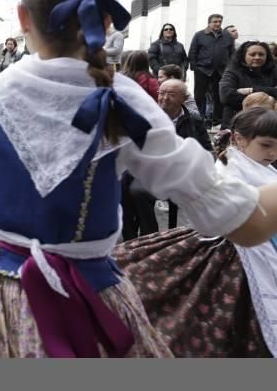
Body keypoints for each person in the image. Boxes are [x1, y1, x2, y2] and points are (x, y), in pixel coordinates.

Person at [0, 0, 277, 359]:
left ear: (23, 18)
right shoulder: (126, 102)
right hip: (86, 299)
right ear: (108, 20)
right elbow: (246, 223)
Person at [114, 107, 277, 357]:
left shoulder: (265, 168)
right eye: (266, 145)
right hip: (233, 252)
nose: (273, 153)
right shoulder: (228, 170)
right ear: (239, 139)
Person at [121, 79, 212, 239]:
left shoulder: (193, 120)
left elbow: (206, 149)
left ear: (184, 98)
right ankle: (130, 237)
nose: (164, 98)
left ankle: (150, 237)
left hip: (179, 173)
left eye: (171, 94)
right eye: (161, 93)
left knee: (138, 191)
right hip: (149, 169)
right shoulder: (147, 116)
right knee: (122, 184)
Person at [189, 14, 235, 127]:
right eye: (215, 21)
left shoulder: (227, 36)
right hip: (202, 70)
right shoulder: (199, 35)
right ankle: (198, 119)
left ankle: (217, 121)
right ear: (209, 23)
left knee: (219, 96)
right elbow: (192, 52)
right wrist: (194, 67)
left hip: (221, 71)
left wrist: (230, 68)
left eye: (220, 21)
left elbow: (232, 53)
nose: (218, 24)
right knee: (199, 96)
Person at [219, 41, 277, 129]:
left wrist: (252, 90)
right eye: (252, 54)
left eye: (261, 54)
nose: (257, 57)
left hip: (267, 124)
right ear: (244, 56)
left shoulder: (274, 71)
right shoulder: (233, 71)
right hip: (237, 123)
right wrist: (267, 99)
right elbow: (226, 96)